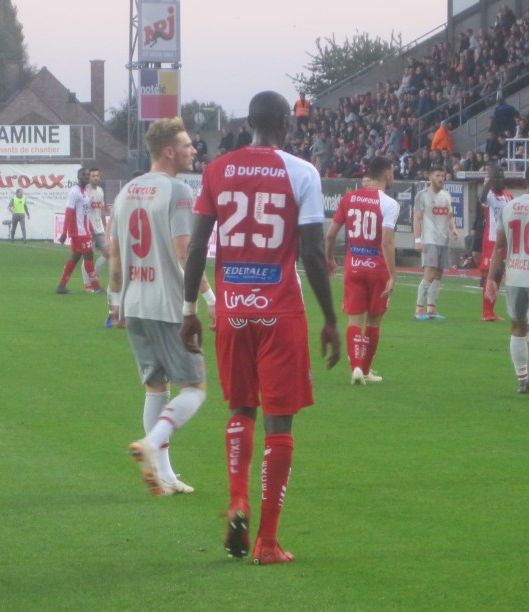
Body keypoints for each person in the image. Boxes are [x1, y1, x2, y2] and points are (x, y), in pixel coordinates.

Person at [181, 91, 341, 565]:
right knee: (279, 420)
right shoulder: (301, 172)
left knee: (241, 407)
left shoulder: (217, 170)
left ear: (246, 123)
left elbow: (196, 248)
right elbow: (312, 253)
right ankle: (267, 542)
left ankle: (237, 501)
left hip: (232, 311)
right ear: (286, 125)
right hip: (280, 312)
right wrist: (331, 319)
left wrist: (190, 309)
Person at [108, 117, 214, 497]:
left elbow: (114, 257)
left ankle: (164, 475)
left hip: (134, 303)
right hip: (167, 305)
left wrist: (115, 302)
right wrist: (210, 299)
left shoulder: (125, 192)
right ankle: (151, 444)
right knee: (196, 387)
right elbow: (185, 253)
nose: (192, 150)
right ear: (169, 151)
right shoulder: (178, 191)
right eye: (186, 145)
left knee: (156, 387)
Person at [325, 156, 398, 385]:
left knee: (354, 320)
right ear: (387, 174)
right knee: (374, 321)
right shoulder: (389, 204)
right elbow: (387, 242)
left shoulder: (349, 198)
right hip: (377, 269)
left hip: (354, 267)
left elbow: (330, 235)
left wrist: (329, 258)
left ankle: (355, 367)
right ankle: (365, 370)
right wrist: (393, 275)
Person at [485, 168, 529, 393]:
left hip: (515, 276)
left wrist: (491, 278)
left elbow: (499, 246)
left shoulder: (509, 207)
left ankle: (523, 379)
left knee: (518, 326)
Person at [413, 166, 458, 320]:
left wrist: (453, 228)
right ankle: (419, 309)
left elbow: (450, 215)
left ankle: (431, 309)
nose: (441, 178)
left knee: (438, 275)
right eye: (438, 175)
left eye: (443, 176)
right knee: (429, 274)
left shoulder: (446, 196)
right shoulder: (422, 195)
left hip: (443, 240)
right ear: (430, 177)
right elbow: (417, 218)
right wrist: (418, 240)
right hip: (429, 240)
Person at [56, 167, 104, 294]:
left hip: (84, 230)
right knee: (89, 256)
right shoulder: (74, 192)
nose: (87, 177)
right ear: (78, 177)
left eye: (88, 175)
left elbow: (85, 213)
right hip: (79, 232)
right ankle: (96, 287)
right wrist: (64, 232)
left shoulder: (85, 192)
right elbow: (69, 212)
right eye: (84, 175)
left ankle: (61, 286)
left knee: (75, 258)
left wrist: (91, 229)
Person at [479, 165, 513, 321]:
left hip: (505, 241)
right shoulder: (489, 195)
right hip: (492, 240)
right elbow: (482, 197)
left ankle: (491, 311)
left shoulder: (509, 197)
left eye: (501, 177)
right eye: (496, 178)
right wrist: (489, 180)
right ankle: (486, 312)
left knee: (498, 275)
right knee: (489, 274)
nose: (499, 180)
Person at [81, 168, 108, 289]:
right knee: (88, 256)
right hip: (88, 230)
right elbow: (82, 212)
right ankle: (87, 284)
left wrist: (105, 226)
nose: (96, 178)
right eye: (93, 176)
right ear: (89, 177)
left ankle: (93, 276)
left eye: (97, 176)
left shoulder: (100, 191)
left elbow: (102, 210)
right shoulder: (85, 191)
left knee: (108, 252)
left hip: (100, 228)